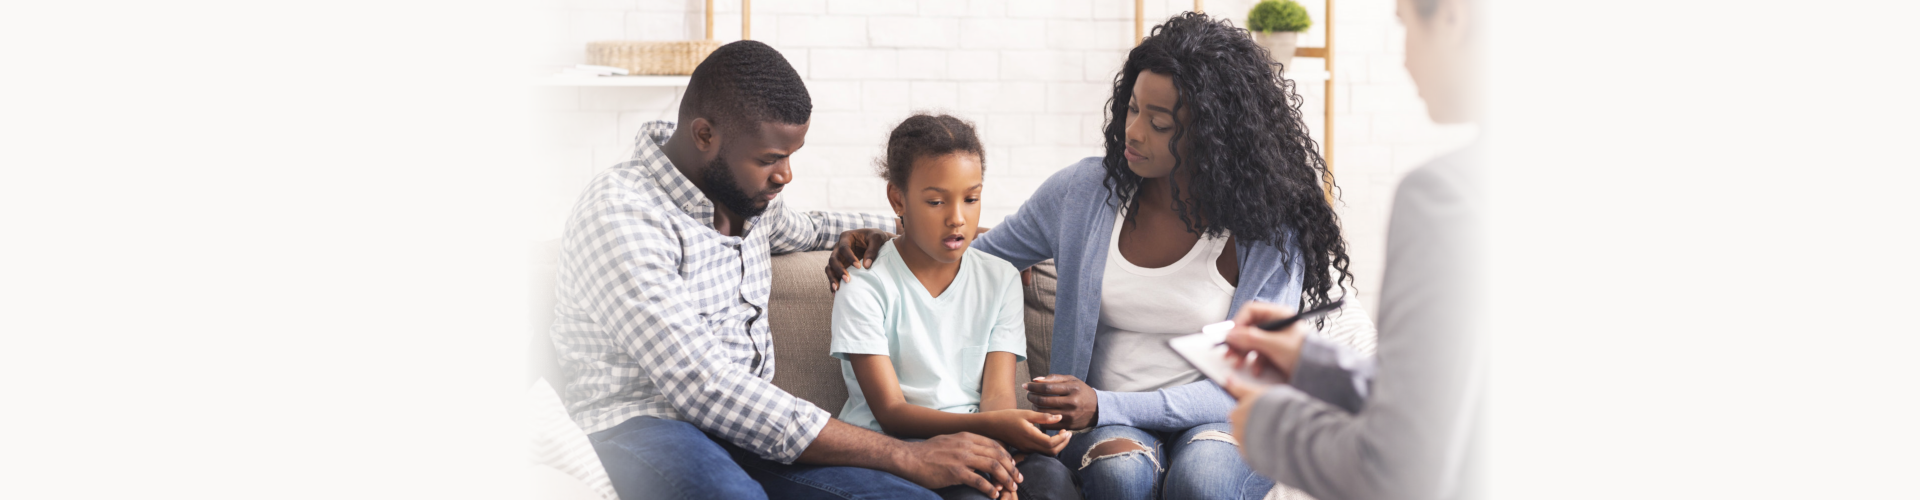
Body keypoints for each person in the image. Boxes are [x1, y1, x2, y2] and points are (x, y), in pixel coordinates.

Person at [827, 13, 1353, 500]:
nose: (1134, 131)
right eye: (1132, 108)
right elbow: (967, 258)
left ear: (1214, 134)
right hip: (1108, 428)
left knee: (1202, 479)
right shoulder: (1086, 192)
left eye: (1161, 122)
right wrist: (885, 237)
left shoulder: (1269, 229)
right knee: (1119, 477)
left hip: (1222, 417)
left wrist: (1104, 404)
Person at [549, 41, 1025, 500]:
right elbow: (706, 387)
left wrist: (930, 230)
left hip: (747, 433)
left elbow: (813, 227)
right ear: (704, 135)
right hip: (644, 425)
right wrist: (902, 454)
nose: (786, 175)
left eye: (791, 156)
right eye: (770, 159)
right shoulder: (621, 214)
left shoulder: (748, 201)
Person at [1218, 0, 1486, 498]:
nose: (1405, 58)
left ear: (1451, 16)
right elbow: (1448, 404)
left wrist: (1270, 426)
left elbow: (1398, 468)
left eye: (1404, 27)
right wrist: (1313, 363)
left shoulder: (1445, 197)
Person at [830, 114, 1081, 500]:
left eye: (971, 198)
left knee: (1051, 483)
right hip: (900, 449)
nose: (957, 218)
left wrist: (1003, 443)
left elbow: (997, 399)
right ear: (898, 199)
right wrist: (995, 433)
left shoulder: (1000, 277)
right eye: (935, 201)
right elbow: (891, 412)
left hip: (982, 435)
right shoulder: (863, 284)